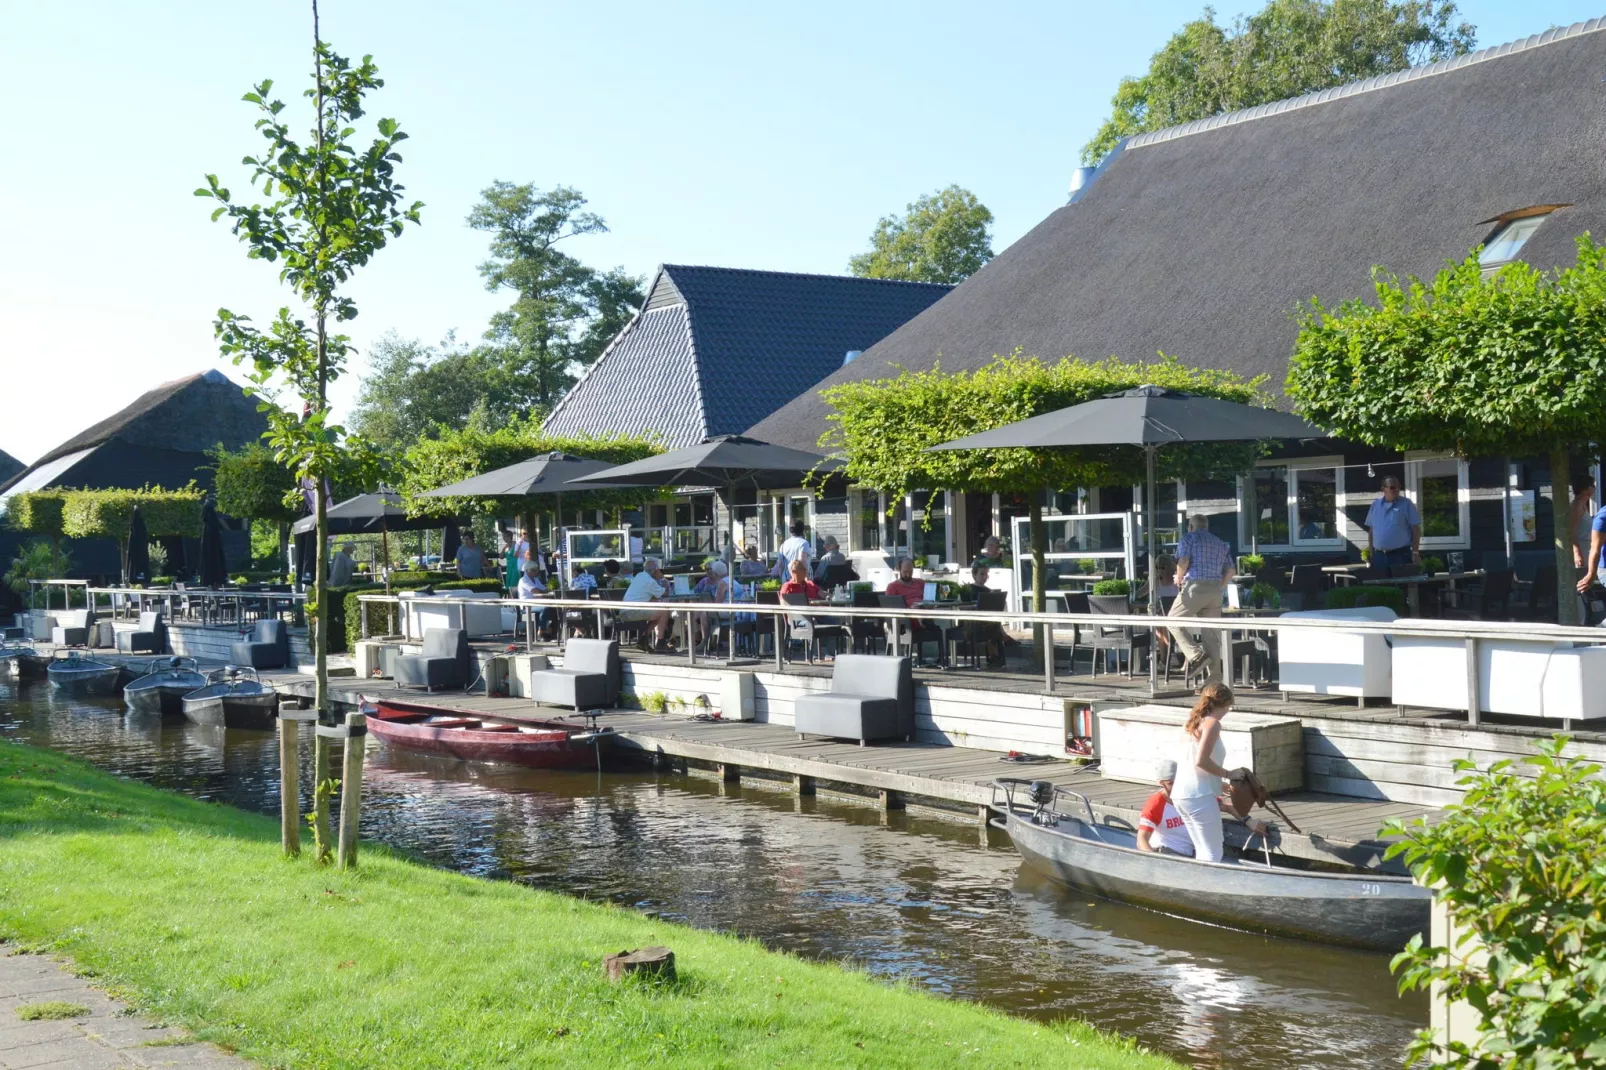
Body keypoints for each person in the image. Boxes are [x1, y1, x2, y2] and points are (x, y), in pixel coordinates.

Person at [1171, 684, 1264, 863]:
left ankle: (1198, 886)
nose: (1227, 711)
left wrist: (1219, 784)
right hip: (1199, 796)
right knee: (1213, 852)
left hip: (1182, 796)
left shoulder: (1191, 722)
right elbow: (1201, 761)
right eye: (1228, 706)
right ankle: (1206, 889)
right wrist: (1229, 774)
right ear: (1222, 703)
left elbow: (1191, 763)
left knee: (1202, 850)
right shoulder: (1212, 723)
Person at [1137, 757, 1265, 856]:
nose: (1177, 786)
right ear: (1161, 783)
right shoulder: (1155, 803)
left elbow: (1227, 807)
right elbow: (1142, 839)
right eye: (1171, 783)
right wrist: (1154, 860)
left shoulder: (1193, 795)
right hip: (1167, 853)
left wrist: (1249, 821)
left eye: (1179, 780)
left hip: (1194, 852)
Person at [1168, 515, 1236, 683]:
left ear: (1191, 526)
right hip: (1215, 590)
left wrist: (1178, 578)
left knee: (1172, 621)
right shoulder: (1220, 542)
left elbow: (1183, 560)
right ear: (1206, 526)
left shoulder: (1189, 538)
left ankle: (1196, 655)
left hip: (1195, 586)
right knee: (1212, 636)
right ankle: (1214, 682)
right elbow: (1230, 571)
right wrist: (1219, 587)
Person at [1363, 476, 1421, 572]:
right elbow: (1371, 531)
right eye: (1392, 487)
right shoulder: (1375, 505)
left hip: (1400, 555)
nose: (1397, 489)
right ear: (1383, 489)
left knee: (1401, 585)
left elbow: (1416, 529)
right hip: (1379, 556)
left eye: (1399, 487)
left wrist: (1415, 552)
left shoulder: (1406, 504)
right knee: (1382, 586)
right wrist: (1372, 553)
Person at [623, 556, 673, 649]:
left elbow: (652, 596)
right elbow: (665, 592)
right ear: (655, 570)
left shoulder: (639, 575)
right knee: (664, 611)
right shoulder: (650, 581)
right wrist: (661, 578)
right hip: (631, 612)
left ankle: (643, 640)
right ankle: (660, 644)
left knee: (658, 612)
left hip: (626, 610)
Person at [1571, 476, 1597, 570]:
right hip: (1582, 550)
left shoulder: (1584, 505)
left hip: (1589, 548)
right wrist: (1577, 553)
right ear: (1588, 488)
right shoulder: (1576, 505)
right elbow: (1571, 531)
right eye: (1593, 485)